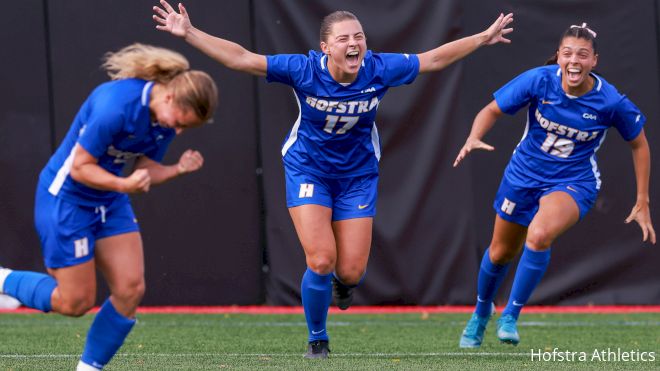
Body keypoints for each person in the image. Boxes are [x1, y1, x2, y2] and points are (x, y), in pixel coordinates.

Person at [153, 0, 513, 358]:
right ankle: (317, 339)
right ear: (325, 48)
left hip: (357, 175)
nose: (353, 43)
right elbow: (242, 58)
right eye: (343, 39)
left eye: (359, 36)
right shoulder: (304, 69)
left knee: (352, 271)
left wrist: (482, 37)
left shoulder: (378, 68)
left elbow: (433, 58)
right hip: (308, 169)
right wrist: (190, 33)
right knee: (321, 259)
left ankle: (344, 284)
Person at [0, 43, 218, 370]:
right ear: (170, 97)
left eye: (186, 127)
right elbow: (80, 168)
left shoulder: (165, 120)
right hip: (67, 199)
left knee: (130, 289)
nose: (178, 130)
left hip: (109, 199)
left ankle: (89, 369)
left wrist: (177, 170)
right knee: (75, 302)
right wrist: (123, 185)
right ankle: (3, 280)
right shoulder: (115, 105)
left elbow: (143, 170)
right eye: (180, 122)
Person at [453, 23, 655, 348]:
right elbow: (491, 110)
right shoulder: (539, 80)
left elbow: (639, 144)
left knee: (539, 234)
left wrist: (642, 199)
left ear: (594, 61)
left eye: (583, 55)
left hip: (573, 181)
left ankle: (510, 317)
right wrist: (475, 136)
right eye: (568, 53)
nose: (574, 61)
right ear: (558, 56)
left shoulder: (610, 101)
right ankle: (480, 313)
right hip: (522, 175)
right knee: (500, 252)